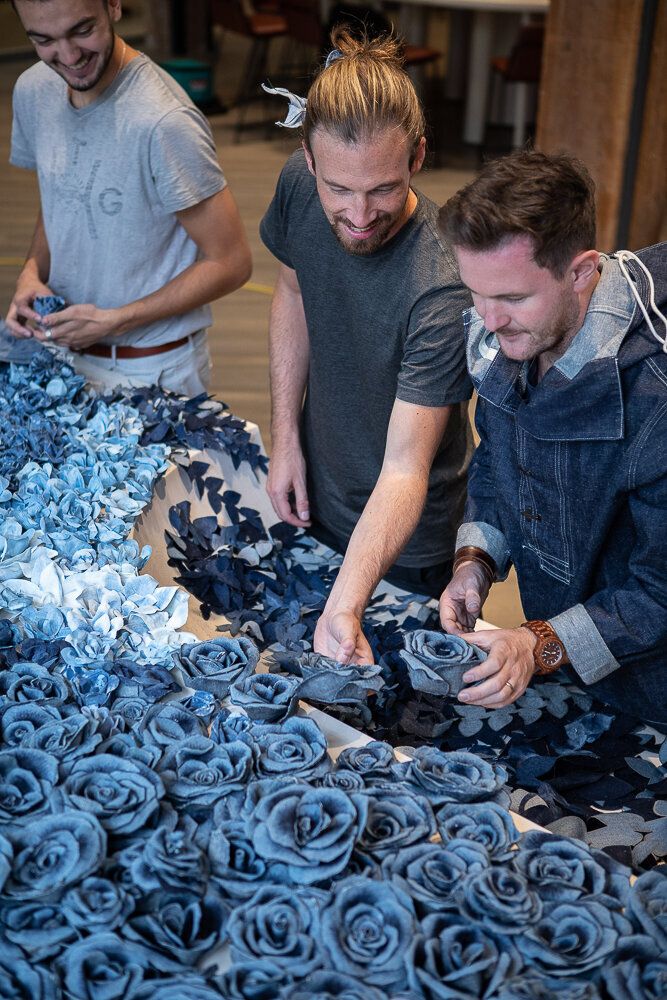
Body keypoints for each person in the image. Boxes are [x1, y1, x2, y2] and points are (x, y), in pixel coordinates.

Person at [260, 28, 473, 664]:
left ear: (418, 156)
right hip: (317, 487)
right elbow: (292, 293)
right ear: (309, 159)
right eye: (340, 189)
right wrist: (285, 437)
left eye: (381, 188)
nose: (358, 214)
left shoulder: (442, 285)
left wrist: (346, 603)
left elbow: (407, 468)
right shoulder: (299, 184)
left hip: (407, 539)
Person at [438, 149, 667, 726]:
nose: (488, 320)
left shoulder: (655, 397)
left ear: (582, 271)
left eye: (513, 298)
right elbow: (498, 459)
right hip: (564, 656)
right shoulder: (504, 331)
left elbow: (660, 591)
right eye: (476, 292)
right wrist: (476, 559)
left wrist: (536, 643)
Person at [6, 0, 252, 397]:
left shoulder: (164, 121)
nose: (68, 56)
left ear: (114, 6)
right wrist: (31, 273)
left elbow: (232, 262)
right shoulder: (32, 91)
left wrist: (115, 320)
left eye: (83, 30)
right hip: (60, 356)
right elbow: (62, 199)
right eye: (43, 40)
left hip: (151, 370)